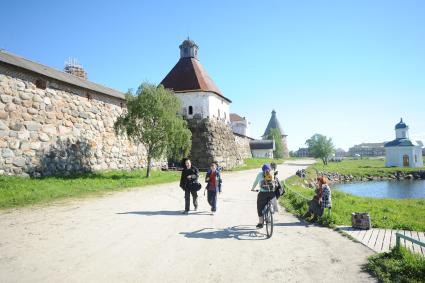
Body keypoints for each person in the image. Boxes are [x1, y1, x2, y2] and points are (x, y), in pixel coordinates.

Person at [251, 164, 277, 228]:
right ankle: (271, 210)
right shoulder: (272, 173)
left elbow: (256, 182)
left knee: (259, 207)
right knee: (272, 202)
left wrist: (252, 189)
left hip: (263, 194)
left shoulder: (260, 174)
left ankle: (260, 222)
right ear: (269, 169)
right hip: (272, 193)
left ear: (262, 170)